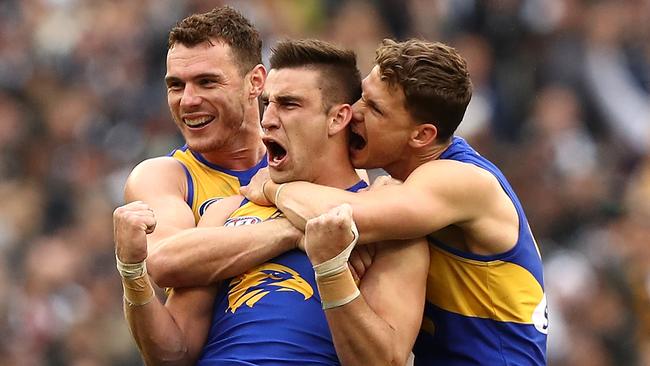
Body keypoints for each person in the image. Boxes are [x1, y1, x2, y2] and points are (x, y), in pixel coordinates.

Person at [242, 38, 548, 365]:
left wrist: (275, 189)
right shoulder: (406, 186)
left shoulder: (461, 180)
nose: (354, 113)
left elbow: (341, 219)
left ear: (421, 135)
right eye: (361, 96)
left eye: (375, 109)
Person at [112, 7, 303, 364]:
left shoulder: (305, 159)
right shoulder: (165, 176)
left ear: (256, 82)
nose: (188, 100)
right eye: (176, 85)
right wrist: (292, 227)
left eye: (207, 82)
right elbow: (168, 261)